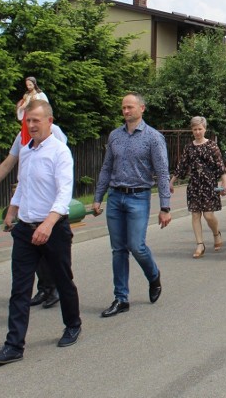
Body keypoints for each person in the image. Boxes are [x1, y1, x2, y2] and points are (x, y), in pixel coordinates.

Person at [0, 100, 81, 365]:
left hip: (53, 229)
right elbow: (23, 185)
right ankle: (13, 345)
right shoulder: (26, 151)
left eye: (36, 120)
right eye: (28, 121)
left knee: (63, 280)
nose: (31, 125)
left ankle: (72, 324)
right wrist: (12, 211)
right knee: (20, 289)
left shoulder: (60, 152)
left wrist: (48, 225)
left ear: (49, 121)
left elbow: (64, 194)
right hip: (25, 230)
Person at [93, 93, 170, 318]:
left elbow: (163, 173)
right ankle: (121, 298)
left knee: (136, 246)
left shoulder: (153, 138)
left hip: (138, 196)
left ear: (142, 108)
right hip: (116, 197)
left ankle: (153, 275)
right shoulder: (115, 136)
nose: (126, 111)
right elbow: (107, 168)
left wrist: (165, 207)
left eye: (130, 107)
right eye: (123, 108)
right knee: (118, 249)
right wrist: (98, 197)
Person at [0, 124, 69, 309]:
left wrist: (52, 217)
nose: (29, 124)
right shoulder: (23, 137)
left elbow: (61, 172)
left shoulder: (55, 134)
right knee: (30, 256)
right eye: (25, 118)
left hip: (50, 211)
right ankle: (45, 288)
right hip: (29, 212)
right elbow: (9, 164)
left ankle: (57, 292)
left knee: (55, 262)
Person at [171, 116, 226, 259]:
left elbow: (220, 166)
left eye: (200, 129)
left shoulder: (212, 146)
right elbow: (181, 166)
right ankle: (200, 244)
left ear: (205, 129)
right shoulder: (189, 147)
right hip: (194, 184)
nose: (197, 132)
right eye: (195, 129)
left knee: (208, 215)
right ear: (192, 130)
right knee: (195, 214)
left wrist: (224, 182)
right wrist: (171, 181)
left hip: (209, 184)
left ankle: (216, 233)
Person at [15, 77, 48, 146]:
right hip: (27, 116)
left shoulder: (40, 95)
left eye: (30, 85)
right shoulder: (27, 96)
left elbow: (46, 106)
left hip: (37, 116)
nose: (28, 87)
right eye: (27, 85)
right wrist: (23, 107)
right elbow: (22, 107)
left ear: (34, 84)